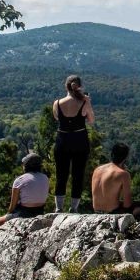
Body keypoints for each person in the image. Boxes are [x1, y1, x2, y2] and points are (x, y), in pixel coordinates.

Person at [53, 75, 94, 212]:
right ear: (80, 87)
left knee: (61, 174)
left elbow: (57, 118)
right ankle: (74, 208)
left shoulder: (57, 103)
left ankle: (58, 207)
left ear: (66, 86)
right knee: (78, 174)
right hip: (80, 139)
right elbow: (91, 120)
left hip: (62, 139)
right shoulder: (83, 102)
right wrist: (87, 102)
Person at [0, 153, 49, 230]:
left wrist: (8, 215)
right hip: (40, 211)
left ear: (26, 166)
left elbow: (12, 206)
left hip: (24, 213)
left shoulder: (20, 180)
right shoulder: (45, 178)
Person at [91, 143, 134, 214]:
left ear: (112, 154)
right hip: (112, 212)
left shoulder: (97, 170)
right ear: (125, 158)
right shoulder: (123, 174)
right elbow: (127, 205)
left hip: (96, 211)